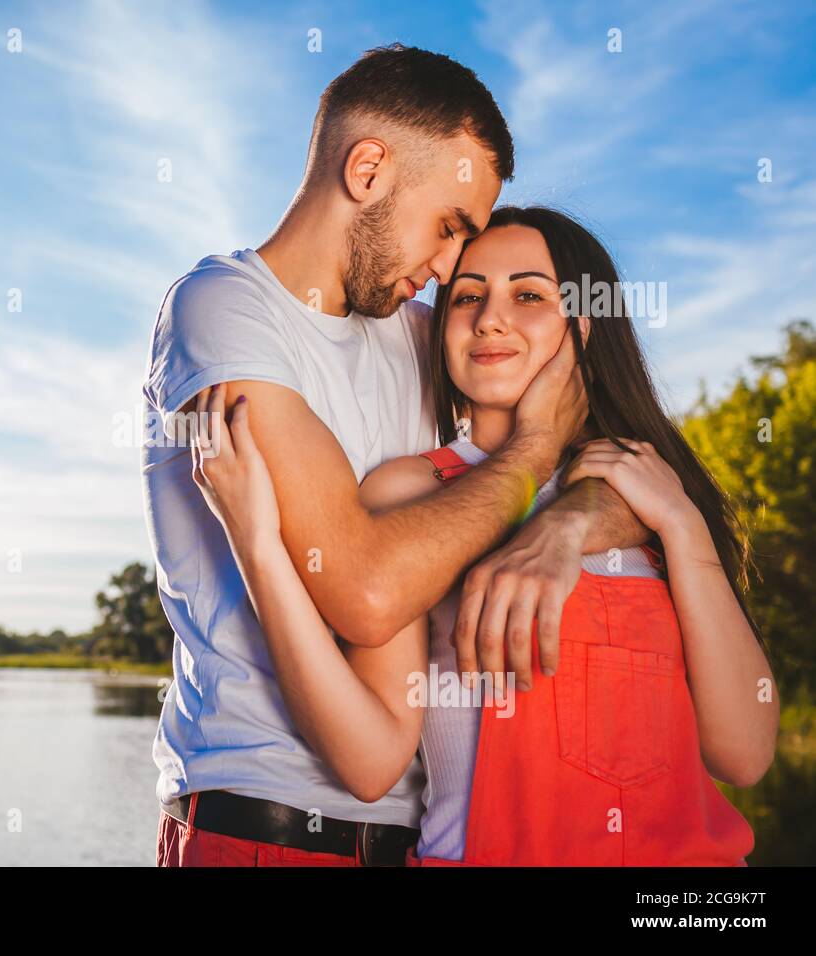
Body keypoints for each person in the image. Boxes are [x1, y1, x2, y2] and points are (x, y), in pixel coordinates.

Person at [144, 44, 651, 868]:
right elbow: (364, 590)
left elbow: (624, 465)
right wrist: (528, 451)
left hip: (415, 840)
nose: (453, 269)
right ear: (369, 169)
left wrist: (564, 529)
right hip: (258, 828)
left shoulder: (427, 333)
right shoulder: (222, 312)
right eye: (450, 228)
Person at [190, 205, 778, 865]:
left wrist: (685, 529)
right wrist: (261, 550)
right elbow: (371, 760)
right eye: (468, 297)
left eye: (528, 295)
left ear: (585, 325)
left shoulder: (650, 491)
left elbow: (744, 753)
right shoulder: (409, 492)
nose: (489, 317)